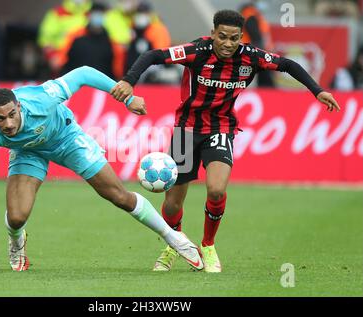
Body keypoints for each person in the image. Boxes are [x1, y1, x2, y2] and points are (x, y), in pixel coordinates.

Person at [111, 10, 340, 273]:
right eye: (222, 37)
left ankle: (208, 245)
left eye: (234, 38)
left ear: (240, 37)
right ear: (213, 34)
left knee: (217, 190)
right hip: (186, 130)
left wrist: (318, 90)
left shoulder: (251, 57)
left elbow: (288, 65)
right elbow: (153, 55)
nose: (228, 43)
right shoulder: (197, 51)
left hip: (221, 128)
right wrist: (129, 81)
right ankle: (174, 244)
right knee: (173, 202)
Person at [0, 66, 204, 272]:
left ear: (19, 106)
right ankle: (16, 242)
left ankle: (174, 238)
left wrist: (127, 98)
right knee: (16, 218)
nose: (7, 124)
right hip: (29, 153)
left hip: (66, 139)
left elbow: (85, 73)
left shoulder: (43, 98)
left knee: (118, 196)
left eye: (11, 114)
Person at [59, 1, 125, 80]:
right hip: (76, 83)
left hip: (102, 86)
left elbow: (116, 66)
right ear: (89, 15)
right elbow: (63, 60)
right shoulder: (76, 36)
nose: (97, 17)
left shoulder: (111, 40)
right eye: (95, 13)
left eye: (101, 14)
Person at [38, 0, 92, 75]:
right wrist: (52, 56)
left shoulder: (93, 12)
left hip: (88, 61)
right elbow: (46, 39)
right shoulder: (57, 13)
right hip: (62, 62)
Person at [240, 1, 275, 87]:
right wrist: (263, 53)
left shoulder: (253, 15)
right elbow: (256, 36)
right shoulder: (250, 15)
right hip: (252, 51)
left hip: (251, 50)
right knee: (263, 79)